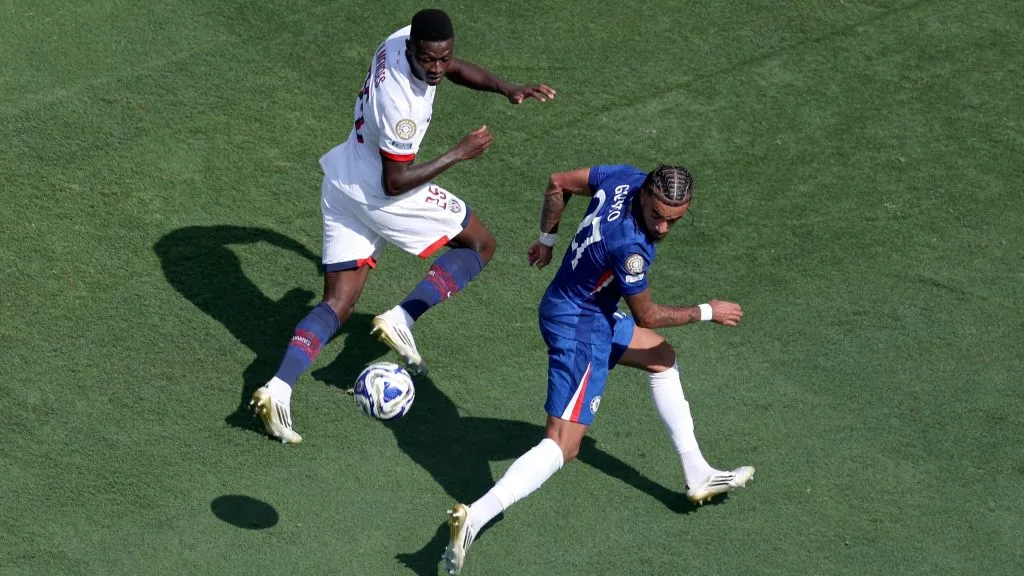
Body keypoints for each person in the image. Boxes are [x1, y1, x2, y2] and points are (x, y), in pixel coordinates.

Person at [250, 9, 557, 443]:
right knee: (480, 244)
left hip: (343, 178)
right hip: (380, 193)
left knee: (337, 305)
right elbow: (395, 183)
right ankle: (402, 317)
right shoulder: (401, 106)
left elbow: (453, 69)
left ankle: (277, 388)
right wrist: (460, 152)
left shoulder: (399, 40)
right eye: (428, 60)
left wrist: (504, 87)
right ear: (413, 49)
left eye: (442, 58)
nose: (436, 69)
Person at [442, 164, 755, 575]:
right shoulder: (630, 248)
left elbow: (557, 182)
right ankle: (475, 517)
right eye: (658, 215)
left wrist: (546, 240)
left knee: (662, 358)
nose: (662, 228)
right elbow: (647, 316)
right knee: (564, 445)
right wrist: (707, 311)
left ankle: (696, 472)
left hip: (584, 307)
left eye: (673, 220)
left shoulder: (623, 177)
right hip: (580, 325)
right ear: (645, 194)